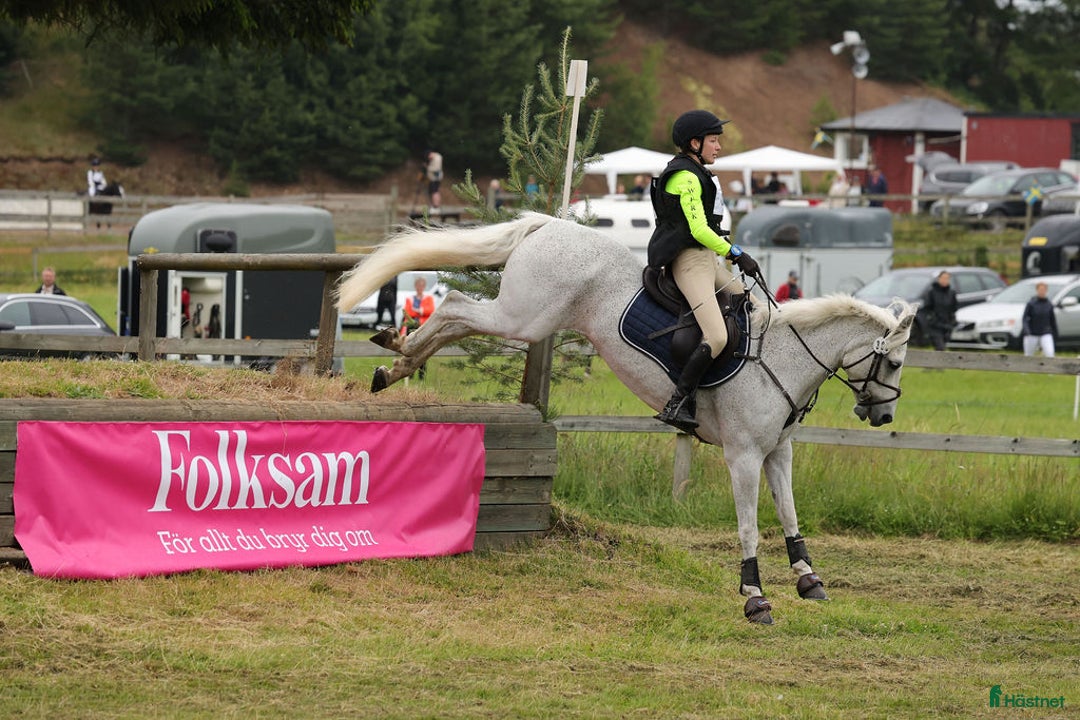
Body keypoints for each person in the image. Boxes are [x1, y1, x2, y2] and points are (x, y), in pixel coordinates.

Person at [647, 109, 760, 432]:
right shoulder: (684, 177)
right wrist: (736, 253)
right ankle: (678, 402)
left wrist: (727, 253)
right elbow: (698, 229)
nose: (719, 147)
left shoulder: (698, 171)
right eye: (713, 141)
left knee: (754, 308)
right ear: (694, 143)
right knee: (717, 335)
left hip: (708, 260)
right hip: (689, 262)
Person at [400, 276, 436, 379]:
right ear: (415, 286)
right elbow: (407, 312)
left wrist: (420, 310)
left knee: (422, 351)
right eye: (418, 285)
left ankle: (421, 375)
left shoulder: (428, 298)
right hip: (411, 326)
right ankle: (409, 374)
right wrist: (421, 312)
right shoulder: (410, 299)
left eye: (422, 285)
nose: (420, 287)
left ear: (424, 286)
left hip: (423, 327)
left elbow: (431, 310)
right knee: (410, 351)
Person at [920, 270, 958, 351]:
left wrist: (952, 322)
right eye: (943, 278)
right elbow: (926, 309)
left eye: (947, 278)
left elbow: (953, 309)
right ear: (939, 279)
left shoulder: (952, 293)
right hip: (935, 326)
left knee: (942, 348)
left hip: (947, 326)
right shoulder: (931, 292)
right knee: (940, 348)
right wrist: (931, 319)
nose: (945, 280)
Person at [1021, 281, 1057, 357]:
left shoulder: (1049, 304)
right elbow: (1025, 318)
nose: (1042, 292)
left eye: (1043, 290)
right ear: (1037, 290)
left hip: (1045, 332)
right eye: (1040, 290)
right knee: (1028, 356)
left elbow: (1052, 320)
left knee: (1050, 354)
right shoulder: (1031, 303)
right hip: (1032, 333)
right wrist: (1027, 330)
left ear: (1046, 291)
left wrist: (1055, 332)